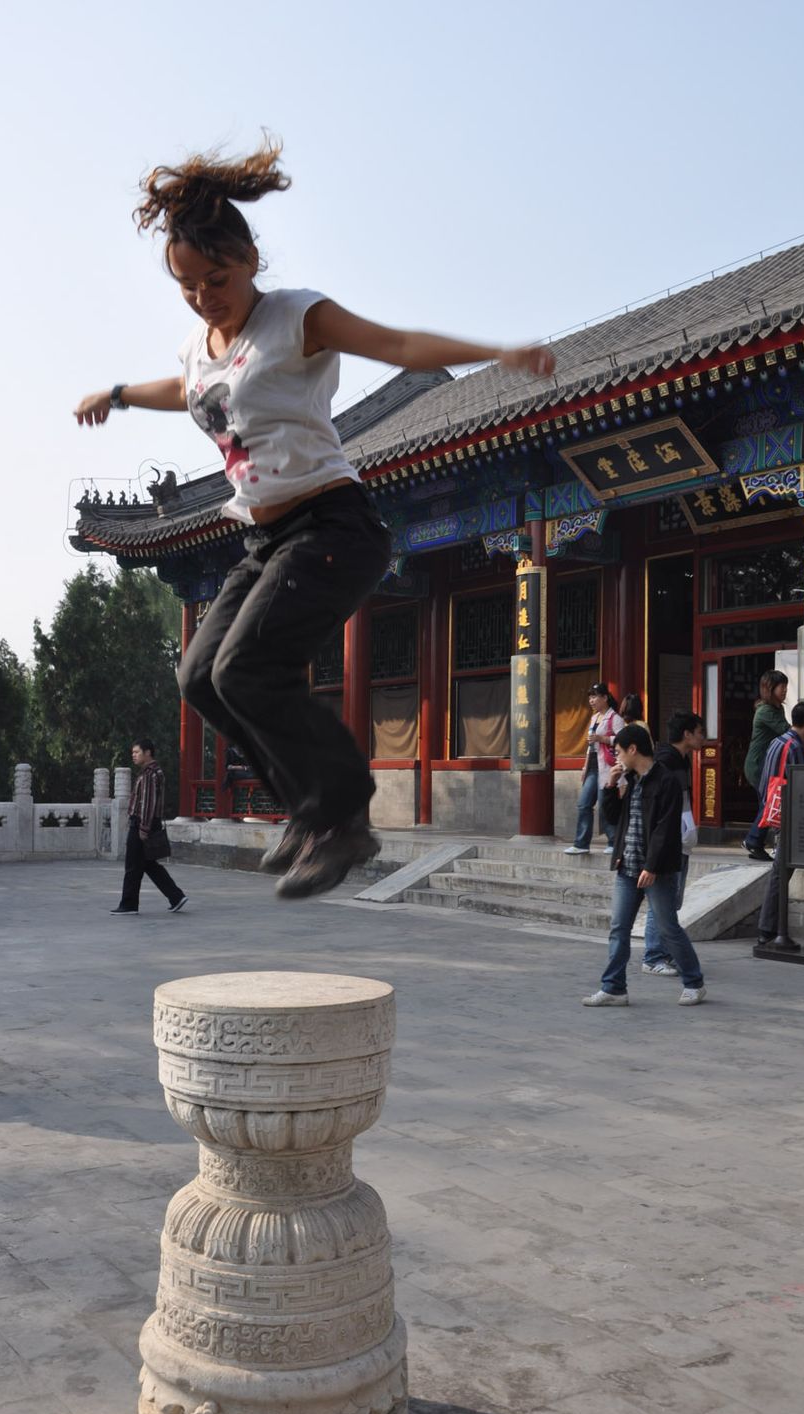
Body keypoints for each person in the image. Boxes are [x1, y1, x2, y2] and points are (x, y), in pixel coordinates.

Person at [74, 137, 555, 899]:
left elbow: (395, 342)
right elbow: (186, 386)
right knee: (200, 676)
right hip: (263, 539)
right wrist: (121, 392)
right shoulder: (202, 348)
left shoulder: (298, 317)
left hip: (333, 525)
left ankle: (344, 813)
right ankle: (308, 807)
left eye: (217, 278)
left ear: (251, 259)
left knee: (245, 668)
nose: (206, 296)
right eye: (188, 285)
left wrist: (498, 352)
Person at [582, 725, 706, 1007]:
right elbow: (613, 818)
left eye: (618, 752)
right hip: (627, 866)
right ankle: (614, 988)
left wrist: (651, 866)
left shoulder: (666, 780)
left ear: (633, 749)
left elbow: (665, 829)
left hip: (657, 870)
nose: (617, 757)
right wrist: (611, 787)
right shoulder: (632, 779)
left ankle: (694, 982)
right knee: (619, 928)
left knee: (667, 928)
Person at [642, 711, 706, 976]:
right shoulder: (667, 761)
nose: (703, 737)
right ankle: (654, 956)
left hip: (679, 839)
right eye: (700, 731)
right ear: (687, 734)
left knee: (668, 901)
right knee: (664, 902)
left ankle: (661, 953)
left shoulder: (678, 759)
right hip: (672, 841)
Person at [756, 701, 804, 946]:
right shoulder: (793, 746)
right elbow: (799, 784)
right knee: (781, 871)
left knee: (781, 870)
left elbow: (766, 781)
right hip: (787, 816)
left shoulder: (776, 742)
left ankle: (771, 927)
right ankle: (768, 928)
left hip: (773, 813)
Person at [111, 740, 188, 916]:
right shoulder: (153, 772)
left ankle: (129, 905)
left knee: (132, 865)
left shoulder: (149, 774)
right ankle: (176, 896)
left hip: (142, 823)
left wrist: (143, 828)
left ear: (148, 753)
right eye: (133, 752)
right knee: (148, 864)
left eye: (137, 752)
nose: (133, 755)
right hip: (146, 822)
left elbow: (147, 803)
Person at [564, 684, 624, 854]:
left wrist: (602, 738)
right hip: (592, 765)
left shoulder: (615, 718)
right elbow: (591, 745)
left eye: (595, 696)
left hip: (606, 766)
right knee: (584, 804)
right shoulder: (594, 717)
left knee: (605, 805)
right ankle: (581, 844)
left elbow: (622, 740)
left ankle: (614, 842)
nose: (591, 700)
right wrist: (584, 766)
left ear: (605, 698)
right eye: (590, 697)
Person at [741, 670, 789, 860]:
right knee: (770, 802)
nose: (785, 690)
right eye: (781, 687)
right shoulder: (766, 711)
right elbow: (786, 731)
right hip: (758, 763)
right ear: (770, 689)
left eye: (786, 686)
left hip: (769, 763)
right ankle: (753, 840)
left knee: (768, 802)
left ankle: (755, 842)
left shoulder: (777, 709)